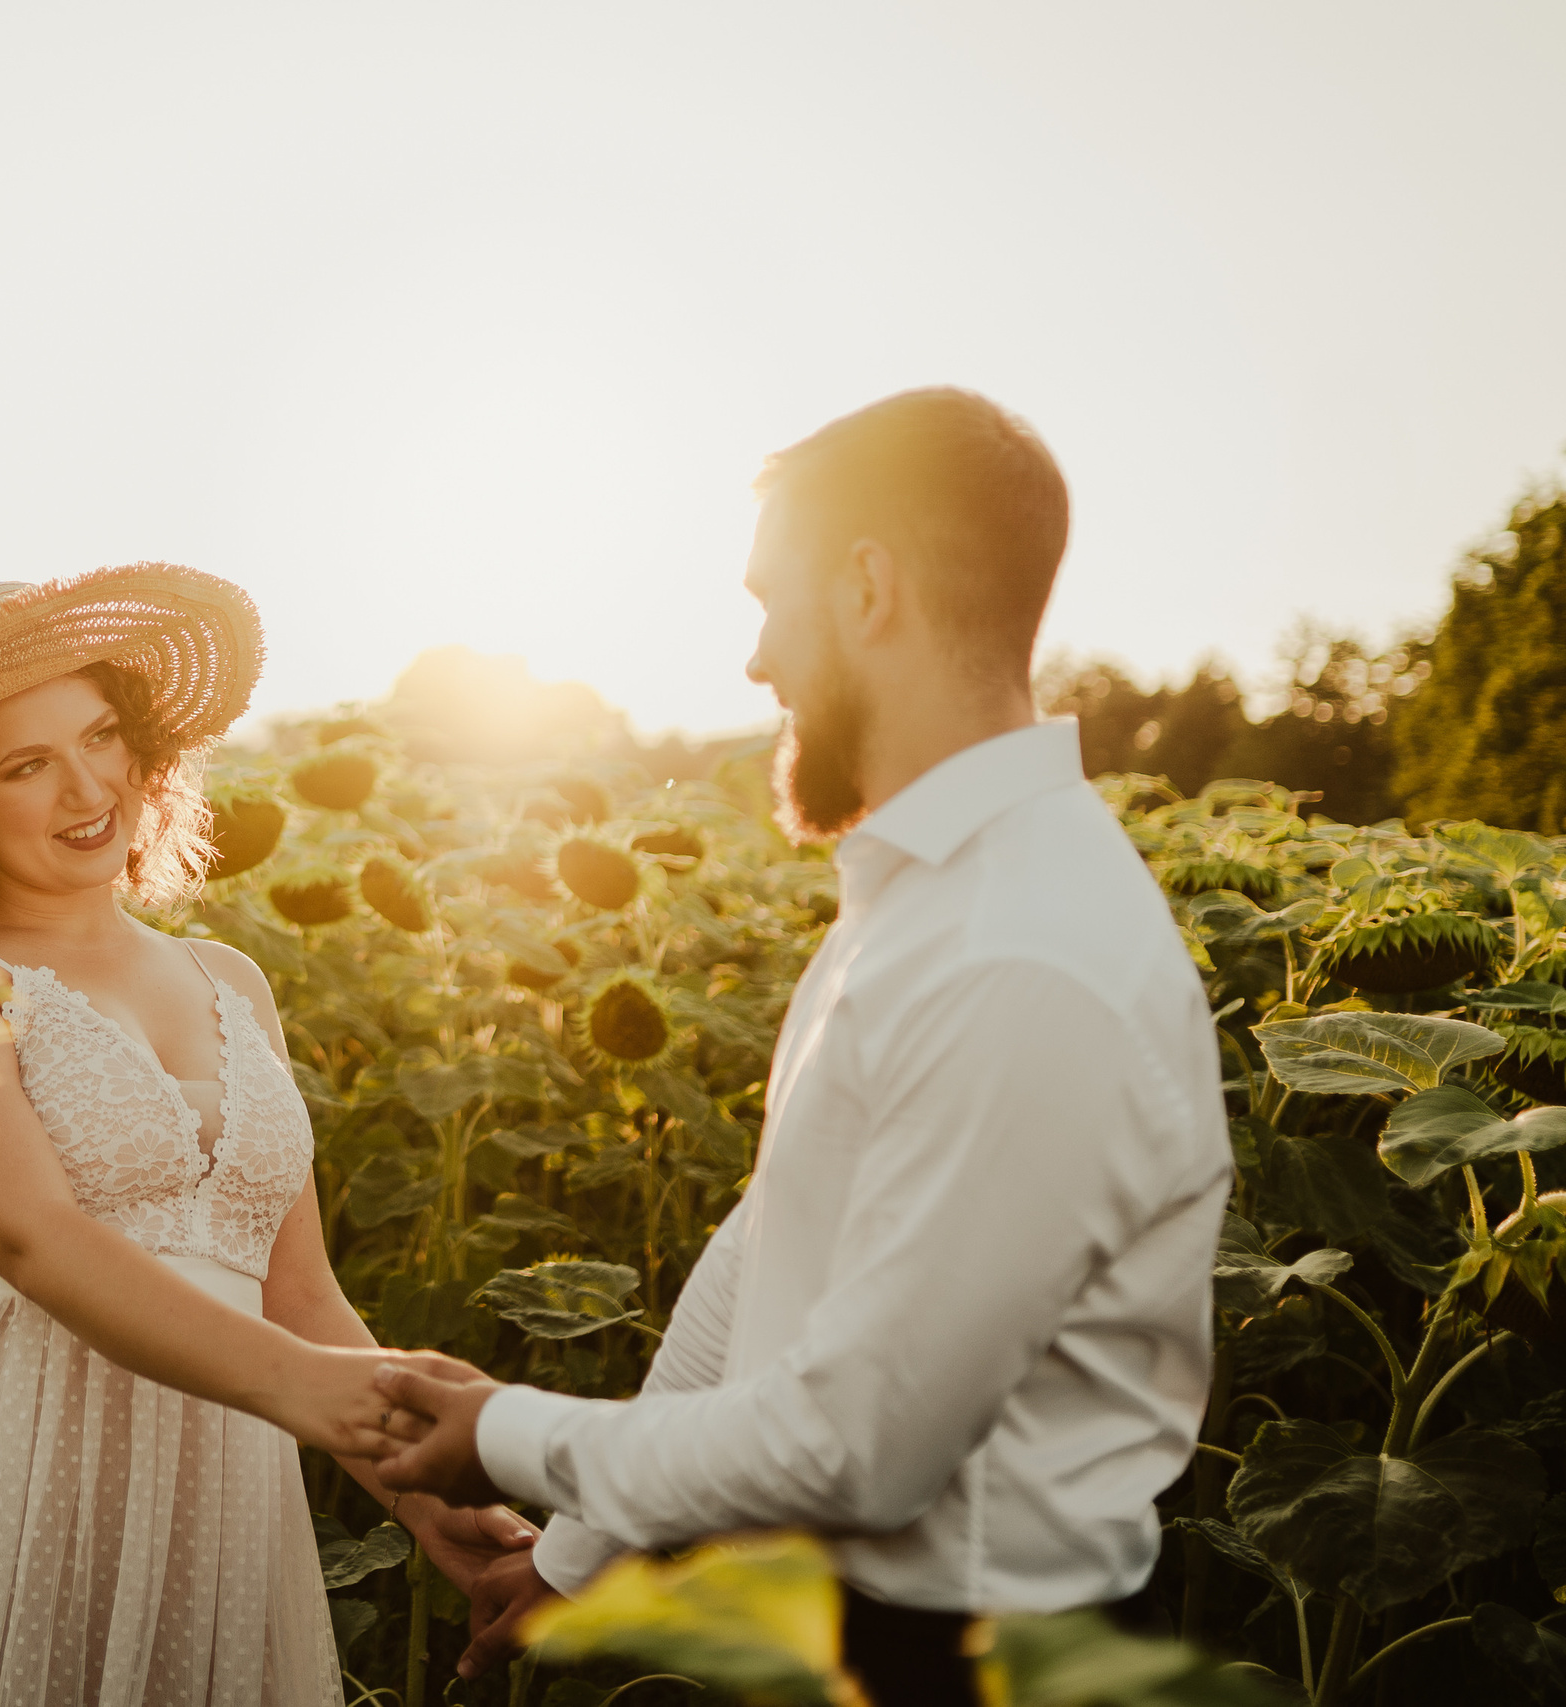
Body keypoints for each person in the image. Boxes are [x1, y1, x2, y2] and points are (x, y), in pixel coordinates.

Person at [370, 390, 1232, 1707]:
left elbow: (858, 1442)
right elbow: (772, 1246)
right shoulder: (926, 890)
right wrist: (586, 1546)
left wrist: (507, 1433)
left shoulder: (1020, 947)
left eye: (772, 600)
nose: (757, 660)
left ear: (867, 585)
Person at [0, 565, 536, 1707]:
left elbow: (298, 1296)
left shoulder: (231, 979)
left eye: (101, 734)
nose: (86, 786)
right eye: (25, 764)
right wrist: (309, 1391)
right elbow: (36, 1240)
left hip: (217, 1474)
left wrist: (430, 1502)